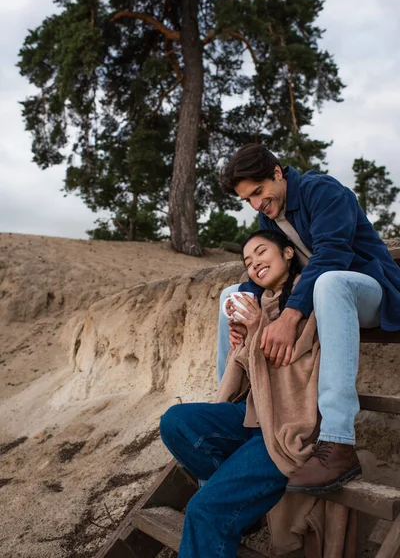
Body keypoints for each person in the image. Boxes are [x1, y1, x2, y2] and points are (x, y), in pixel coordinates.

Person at [217, 143, 400, 494]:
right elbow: (273, 265)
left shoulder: (323, 191)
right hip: (318, 301)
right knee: (232, 296)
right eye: (247, 201)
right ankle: (235, 411)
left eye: (258, 192)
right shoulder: (269, 213)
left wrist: (289, 315)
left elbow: (332, 255)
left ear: (277, 173)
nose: (257, 205)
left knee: (329, 282)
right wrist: (242, 311)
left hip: (368, 290)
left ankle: (338, 442)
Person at [160, 231, 316, 558]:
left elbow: (290, 376)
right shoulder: (259, 301)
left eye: (261, 252)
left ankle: (229, 498)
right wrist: (241, 342)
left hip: (284, 428)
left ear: (288, 252)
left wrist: (258, 329)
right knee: (175, 421)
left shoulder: (306, 303)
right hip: (252, 416)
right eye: (247, 261)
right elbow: (247, 376)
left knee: (204, 509)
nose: (255, 262)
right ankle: (237, 491)